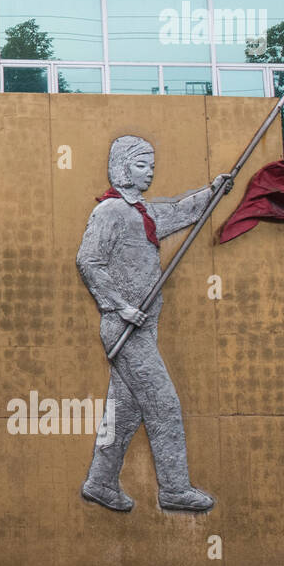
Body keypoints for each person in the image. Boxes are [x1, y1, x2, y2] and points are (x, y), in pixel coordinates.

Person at [76, 135, 231, 513]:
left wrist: (213, 191)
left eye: (152, 166)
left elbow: (179, 212)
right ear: (122, 167)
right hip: (125, 329)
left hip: (143, 327)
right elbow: (87, 261)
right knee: (164, 404)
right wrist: (119, 306)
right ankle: (175, 489)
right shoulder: (109, 212)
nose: (149, 173)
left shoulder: (141, 211)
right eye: (142, 165)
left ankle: (100, 482)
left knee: (125, 412)